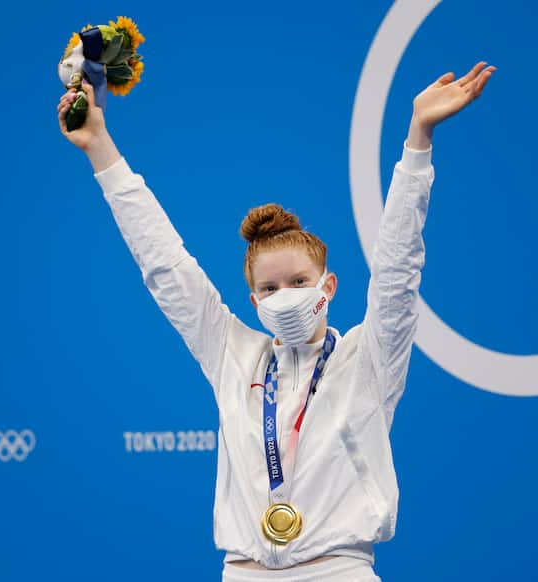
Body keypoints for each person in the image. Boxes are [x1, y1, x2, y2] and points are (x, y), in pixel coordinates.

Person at [57, 61, 496, 581]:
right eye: (269, 289)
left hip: (338, 571)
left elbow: (399, 271)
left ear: (328, 287)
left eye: (298, 282)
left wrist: (417, 141)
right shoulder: (231, 353)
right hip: (243, 571)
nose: (284, 298)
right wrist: (100, 150)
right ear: (253, 301)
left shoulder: (369, 357)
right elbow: (165, 265)